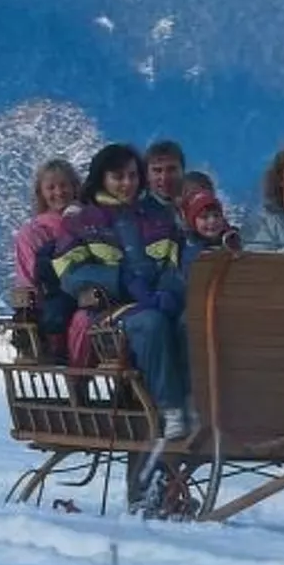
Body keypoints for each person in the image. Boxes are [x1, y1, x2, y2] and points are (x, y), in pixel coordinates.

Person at [80, 142, 190, 439]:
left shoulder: (157, 216)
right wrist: (119, 279)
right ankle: (170, 408)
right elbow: (69, 273)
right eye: (118, 177)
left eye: (132, 176)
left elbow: (173, 260)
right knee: (151, 324)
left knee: (191, 322)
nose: (127, 183)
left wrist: (169, 290)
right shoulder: (84, 219)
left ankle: (198, 400)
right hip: (109, 314)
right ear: (102, 178)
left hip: (155, 301)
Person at [11, 158, 82, 361]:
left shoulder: (91, 220)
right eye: (51, 187)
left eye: (63, 185)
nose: (58, 192)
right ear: (41, 193)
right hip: (51, 304)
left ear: (74, 187)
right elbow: (28, 278)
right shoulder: (32, 232)